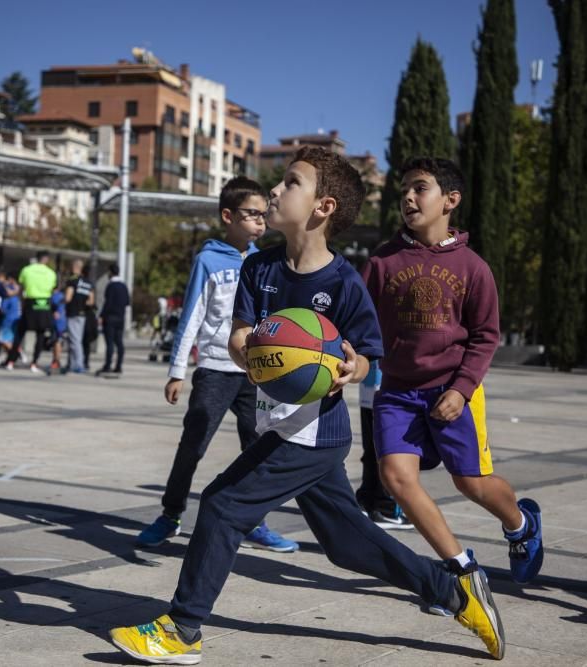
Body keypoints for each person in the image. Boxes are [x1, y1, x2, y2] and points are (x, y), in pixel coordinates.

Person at [109, 147, 504, 664]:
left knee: (224, 505)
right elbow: (239, 336)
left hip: (312, 431)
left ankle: (183, 629)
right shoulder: (260, 268)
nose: (275, 191)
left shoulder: (344, 283)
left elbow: (365, 358)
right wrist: (251, 348)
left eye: (291, 183)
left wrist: (350, 366)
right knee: (347, 544)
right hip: (283, 421)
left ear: (322, 207)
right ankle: (453, 591)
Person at [363, 156, 543, 585]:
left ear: (451, 200)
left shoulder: (474, 268)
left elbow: (485, 337)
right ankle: (460, 567)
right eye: (404, 188)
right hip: (397, 391)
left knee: (471, 484)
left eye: (419, 187)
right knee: (395, 477)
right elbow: (357, 322)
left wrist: (461, 389)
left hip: (451, 390)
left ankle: (521, 524)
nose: (408, 195)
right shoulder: (381, 262)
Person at [134, 176, 298, 553]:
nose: (259, 221)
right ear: (228, 215)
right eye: (251, 214)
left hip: (254, 372)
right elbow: (192, 315)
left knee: (257, 448)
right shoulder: (207, 260)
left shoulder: (263, 262)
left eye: (263, 214)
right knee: (193, 446)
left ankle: (254, 522)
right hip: (213, 368)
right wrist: (177, 371)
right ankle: (170, 515)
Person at [355, 361, 413, 529]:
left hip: (370, 383)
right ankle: (386, 507)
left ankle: (367, 500)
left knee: (373, 448)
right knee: (390, 451)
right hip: (391, 388)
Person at [5, 250, 58, 374]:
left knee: (20, 332)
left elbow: (21, 288)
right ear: (46, 260)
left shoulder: (26, 270)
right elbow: (52, 291)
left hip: (30, 302)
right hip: (44, 304)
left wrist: (22, 303)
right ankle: (34, 363)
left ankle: (11, 361)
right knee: (40, 334)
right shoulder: (51, 273)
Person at [97, 264, 129, 374]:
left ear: (110, 272)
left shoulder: (111, 286)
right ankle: (119, 366)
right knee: (119, 342)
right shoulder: (123, 286)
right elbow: (127, 302)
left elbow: (107, 303)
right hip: (120, 318)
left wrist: (101, 316)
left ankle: (107, 365)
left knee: (110, 343)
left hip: (110, 317)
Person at [64, 259, 95, 373]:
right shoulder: (88, 283)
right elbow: (91, 301)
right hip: (83, 314)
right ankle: (72, 364)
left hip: (73, 313)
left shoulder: (73, 281)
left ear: (76, 268)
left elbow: (68, 298)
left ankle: (78, 364)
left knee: (74, 340)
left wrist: (60, 301)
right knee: (76, 339)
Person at [0, 272, 21, 365]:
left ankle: (17, 352)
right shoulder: (18, 292)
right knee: (9, 339)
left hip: (9, 319)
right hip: (15, 318)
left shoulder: (10, 291)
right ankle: (11, 356)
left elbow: (3, 307)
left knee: (1, 339)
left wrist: (4, 285)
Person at [50, 284, 67, 373]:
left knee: (57, 341)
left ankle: (56, 360)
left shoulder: (55, 296)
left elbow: (53, 307)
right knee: (58, 341)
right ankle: (55, 360)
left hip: (58, 322)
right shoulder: (63, 296)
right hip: (63, 322)